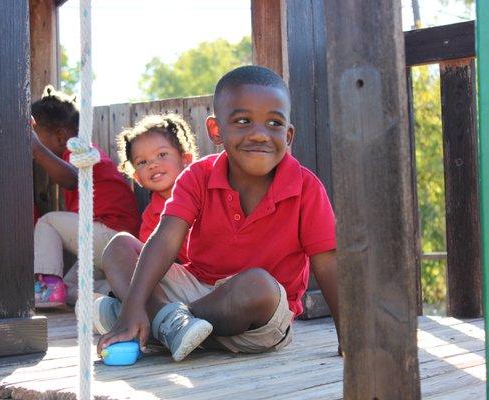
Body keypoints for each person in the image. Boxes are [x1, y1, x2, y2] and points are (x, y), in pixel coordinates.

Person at [96, 65, 340, 362]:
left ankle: (159, 322)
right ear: (216, 131)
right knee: (119, 246)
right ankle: (159, 320)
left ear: (288, 135)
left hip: (257, 318)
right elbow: (167, 238)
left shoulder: (306, 188)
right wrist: (135, 302)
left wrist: (352, 337)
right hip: (197, 289)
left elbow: (328, 265)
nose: (260, 134)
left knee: (257, 284)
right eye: (243, 121)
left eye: (274, 123)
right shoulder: (199, 175)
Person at [31, 86, 140, 308]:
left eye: (38, 137)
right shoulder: (79, 152)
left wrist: (35, 147)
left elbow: (72, 179)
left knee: (47, 221)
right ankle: (113, 294)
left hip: (110, 233)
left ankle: (46, 287)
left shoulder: (80, 151)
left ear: (61, 136)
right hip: (109, 243)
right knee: (70, 289)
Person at [91, 114, 198, 328]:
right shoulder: (151, 215)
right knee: (127, 257)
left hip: (207, 279)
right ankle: (146, 313)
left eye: (162, 154)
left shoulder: (204, 194)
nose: (153, 164)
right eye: (142, 162)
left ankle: (123, 311)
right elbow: (146, 263)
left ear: (186, 160)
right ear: (137, 177)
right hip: (171, 283)